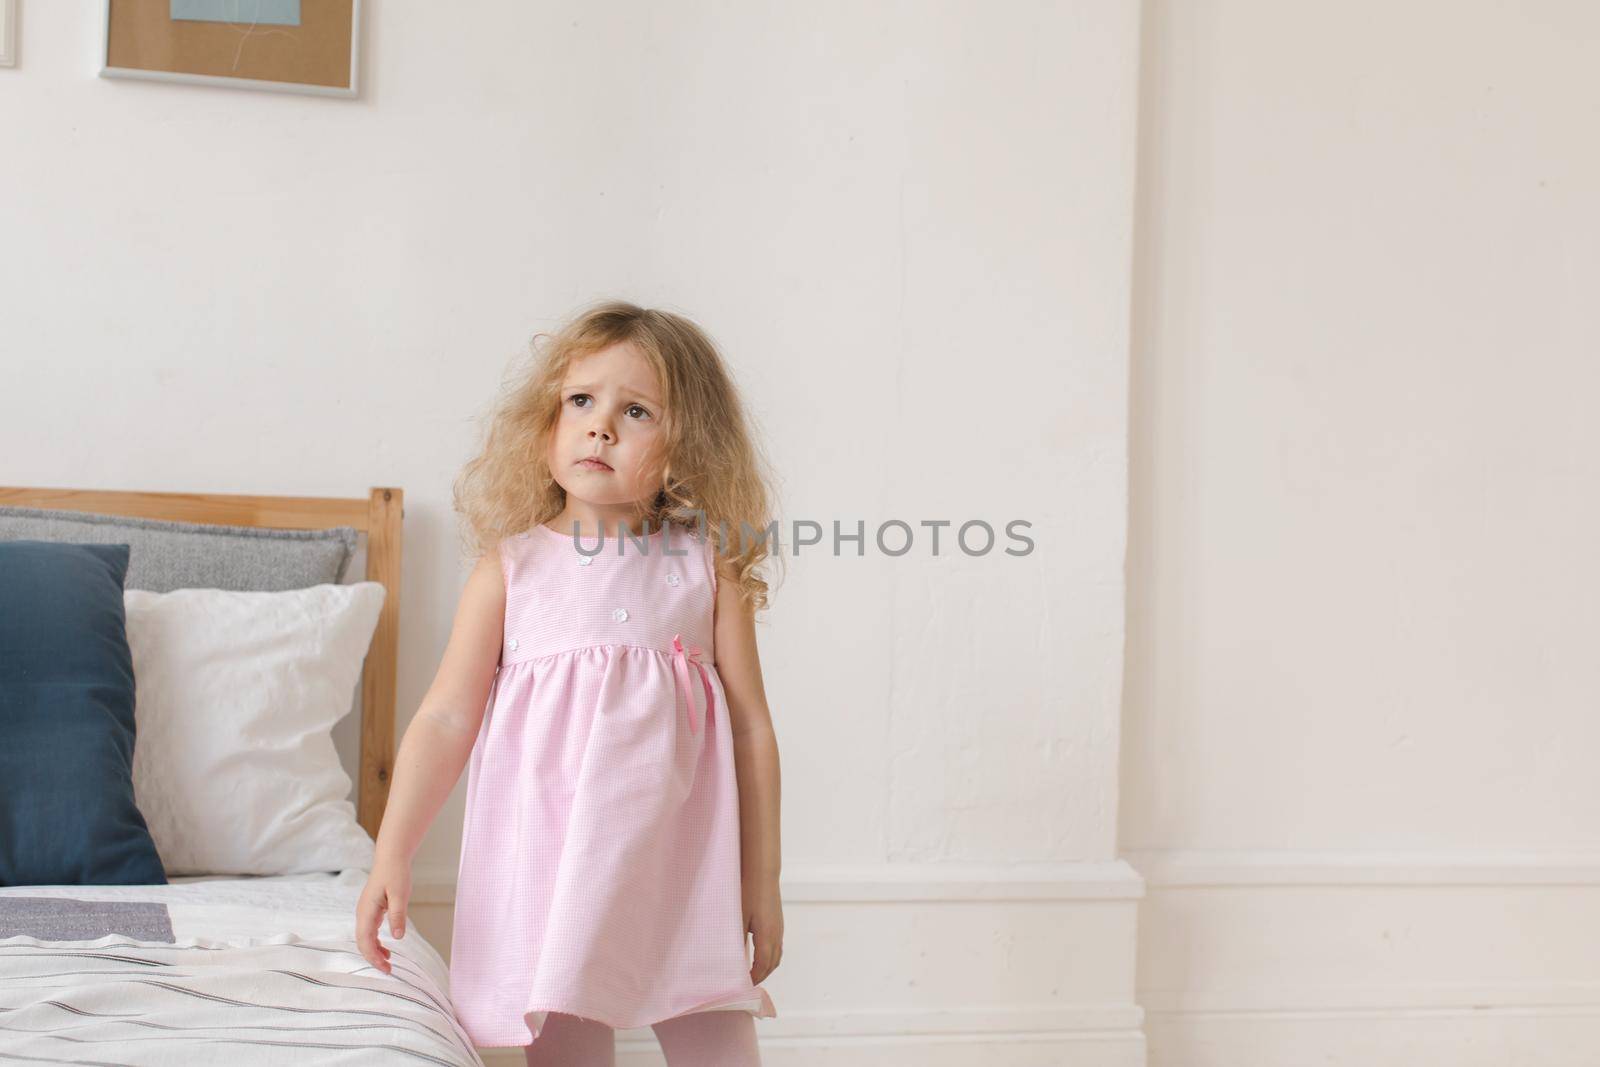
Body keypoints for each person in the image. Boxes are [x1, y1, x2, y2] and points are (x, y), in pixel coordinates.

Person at [355, 300, 784, 1066]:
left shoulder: (701, 566)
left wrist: (763, 881)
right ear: (546, 420)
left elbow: (751, 728)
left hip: (681, 872)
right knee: (566, 1046)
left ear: (687, 444)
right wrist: (393, 851)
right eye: (580, 400)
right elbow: (447, 718)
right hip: (553, 865)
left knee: (717, 1044)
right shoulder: (511, 569)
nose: (600, 426)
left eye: (637, 410)